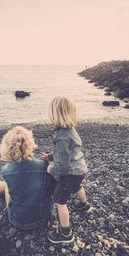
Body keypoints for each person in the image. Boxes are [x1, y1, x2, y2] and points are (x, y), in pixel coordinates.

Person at [40, 96, 91, 244]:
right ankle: (84, 205)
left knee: (60, 201)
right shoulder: (70, 130)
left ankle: (65, 233)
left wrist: (51, 169)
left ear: (55, 114)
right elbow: (67, 152)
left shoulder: (62, 137)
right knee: (77, 187)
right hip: (80, 170)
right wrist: (50, 156)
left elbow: (63, 166)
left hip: (69, 174)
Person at [0, 126, 55, 230]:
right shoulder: (44, 166)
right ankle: (1, 185)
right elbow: (51, 190)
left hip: (18, 220)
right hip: (44, 216)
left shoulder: (6, 171)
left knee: (7, 186)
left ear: (7, 148)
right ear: (30, 144)